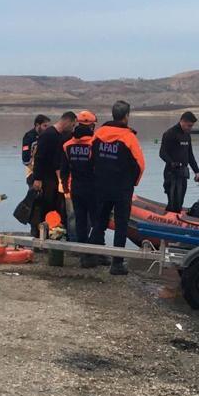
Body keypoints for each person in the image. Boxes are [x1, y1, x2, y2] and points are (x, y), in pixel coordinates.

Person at [88, 100, 145, 276]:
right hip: (121, 188)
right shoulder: (129, 137)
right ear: (126, 116)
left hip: (101, 186)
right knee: (121, 225)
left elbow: (91, 157)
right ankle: (117, 263)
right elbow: (140, 164)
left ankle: (94, 254)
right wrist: (132, 183)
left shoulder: (99, 133)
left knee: (100, 221)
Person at [60, 110, 108, 267]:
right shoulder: (96, 144)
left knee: (80, 222)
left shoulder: (67, 145)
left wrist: (66, 189)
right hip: (94, 189)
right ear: (92, 125)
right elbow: (100, 169)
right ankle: (99, 254)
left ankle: (84, 256)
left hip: (76, 189)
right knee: (98, 222)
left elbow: (64, 170)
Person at [30, 111, 76, 237]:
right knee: (46, 207)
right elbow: (39, 157)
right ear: (67, 122)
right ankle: (41, 235)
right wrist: (37, 178)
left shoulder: (59, 135)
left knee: (54, 207)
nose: (72, 128)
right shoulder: (49, 135)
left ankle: (52, 233)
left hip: (53, 177)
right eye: (72, 125)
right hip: (46, 178)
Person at [159, 111, 199, 213]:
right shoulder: (170, 133)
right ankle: (168, 221)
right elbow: (162, 153)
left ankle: (176, 220)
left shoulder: (187, 135)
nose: (190, 128)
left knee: (180, 202)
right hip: (171, 173)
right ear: (182, 121)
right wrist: (172, 163)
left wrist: (197, 172)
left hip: (183, 174)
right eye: (189, 125)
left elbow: (190, 155)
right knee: (173, 203)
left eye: (191, 126)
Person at [21, 114, 50, 185]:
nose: (47, 128)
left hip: (46, 173)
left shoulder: (47, 135)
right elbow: (25, 160)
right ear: (37, 125)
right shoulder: (29, 137)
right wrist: (36, 169)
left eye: (47, 126)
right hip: (32, 174)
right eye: (45, 126)